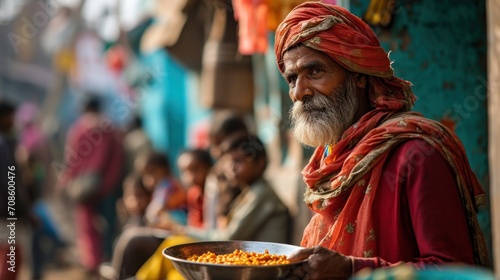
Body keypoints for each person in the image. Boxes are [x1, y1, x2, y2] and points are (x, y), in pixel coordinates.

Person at [273, 2, 490, 279]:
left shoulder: (416, 155)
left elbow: (453, 272)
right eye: (292, 79)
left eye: (314, 72)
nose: (299, 92)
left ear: (358, 75)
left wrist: (351, 269)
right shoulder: (328, 161)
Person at [181, 134, 291, 243]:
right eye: (229, 162)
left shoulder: (261, 194)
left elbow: (228, 239)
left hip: (267, 259)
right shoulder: (250, 192)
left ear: (260, 163)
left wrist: (185, 231)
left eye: (238, 161)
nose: (231, 168)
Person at [61, 95, 124, 277]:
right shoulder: (109, 128)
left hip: (82, 188)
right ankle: (110, 262)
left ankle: (92, 260)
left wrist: (68, 181)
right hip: (106, 187)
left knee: (86, 224)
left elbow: (71, 159)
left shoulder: (78, 128)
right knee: (109, 225)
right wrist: (109, 184)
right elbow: (117, 159)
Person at [141, 151, 188, 228]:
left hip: (180, 223)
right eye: (144, 175)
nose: (148, 179)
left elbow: (155, 210)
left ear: (165, 169)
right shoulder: (161, 186)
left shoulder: (167, 184)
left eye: (152, 172)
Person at [176, 148, 213, 228]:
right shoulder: (193, 193)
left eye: (195, 170)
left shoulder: (215, 193)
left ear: (208, 167)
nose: (189, 177)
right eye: (184, 172)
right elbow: (194, 224)